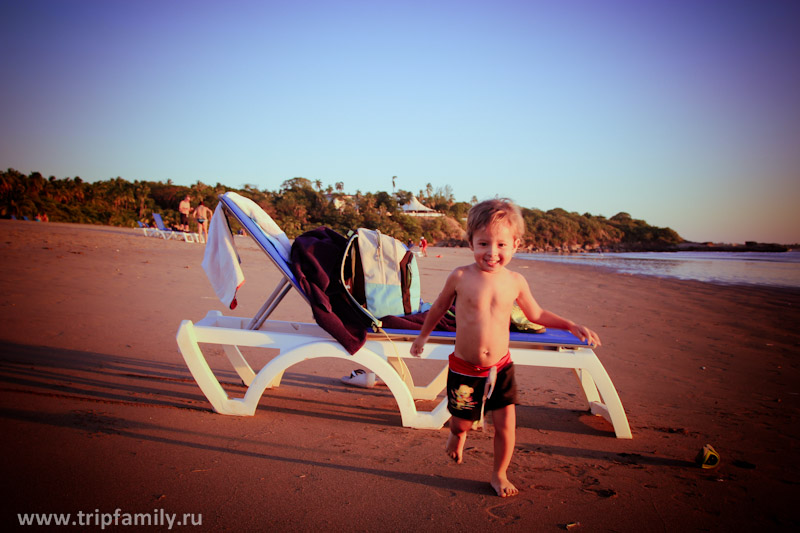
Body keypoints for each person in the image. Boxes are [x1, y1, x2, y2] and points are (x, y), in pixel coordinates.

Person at [410, 198, 601, 498]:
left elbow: (536, 315)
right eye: (483, 243)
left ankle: (499, 474)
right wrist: (422, 337)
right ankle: (456, 436)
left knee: (506, 426)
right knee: (462, 423)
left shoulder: (515, 281)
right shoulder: (460, 276)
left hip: (500, 368)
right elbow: (438, 308)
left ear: (515, 244)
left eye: (501, 245)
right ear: (471, 242)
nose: (492, 252)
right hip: (464, 369)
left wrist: (570, 324)